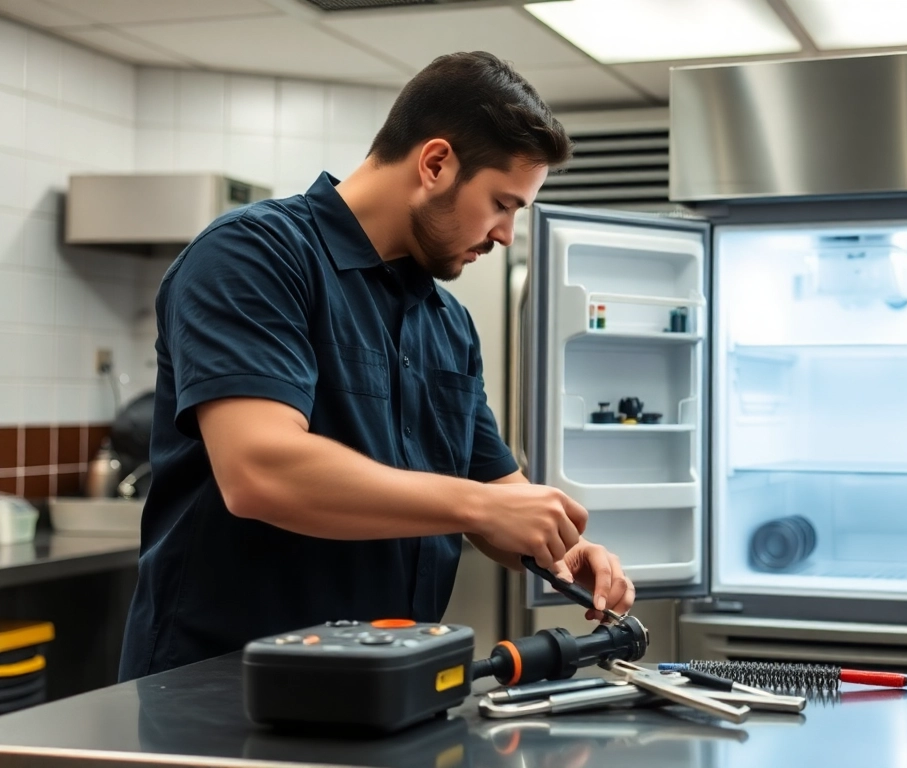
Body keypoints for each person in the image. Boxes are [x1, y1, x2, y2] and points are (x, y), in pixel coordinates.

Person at [118, 52, 633, 680]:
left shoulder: (446, 320)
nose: (504, 235)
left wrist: (562, 550)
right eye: (502, 203)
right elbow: (259, 470)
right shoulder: (253, 256)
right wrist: (477, 506)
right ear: (436, 163)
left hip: (393, 684)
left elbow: (498, 495)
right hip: (226, 689)